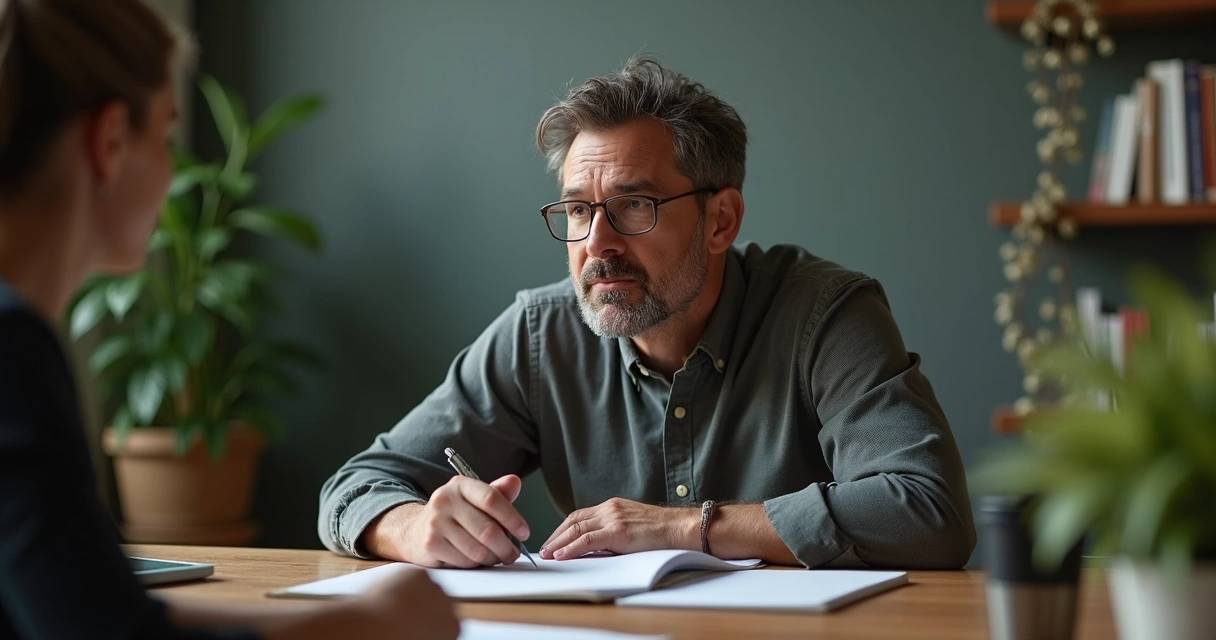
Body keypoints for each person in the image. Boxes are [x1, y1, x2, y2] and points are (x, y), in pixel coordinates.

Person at [319, 56, 975, 571]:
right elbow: (357, 485)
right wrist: (413, 527)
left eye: (634, 206)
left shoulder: (824, 316)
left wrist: (685, 529)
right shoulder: (540, 337)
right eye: (578, 209)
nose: (597, 243)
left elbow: (929, 511)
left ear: (720, 221)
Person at [0, 1, 459, 638]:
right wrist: (373, 625)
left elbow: (95, 612)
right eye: (165, 139)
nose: (173, 174)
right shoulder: (13, 350)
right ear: (109, 143)